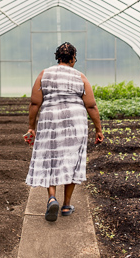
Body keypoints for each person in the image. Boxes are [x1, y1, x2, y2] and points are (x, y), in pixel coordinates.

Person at [25, 42, 104, 222]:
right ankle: (67, 205)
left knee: (50, 157)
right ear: (73, 58)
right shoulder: (80, 77)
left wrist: (32, 127)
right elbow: (91, 105)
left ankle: (52, 197)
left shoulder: (44, 74)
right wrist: (98, 129)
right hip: (74, 122)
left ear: (57, 57)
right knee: (72, 159)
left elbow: (35, 103)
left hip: (50, 120)